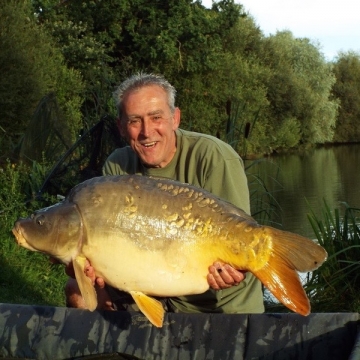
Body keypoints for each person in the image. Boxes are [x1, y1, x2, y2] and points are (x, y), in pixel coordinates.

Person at [65, 73, 264, 314]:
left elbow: (241, 236)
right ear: (121, 127)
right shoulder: (116, 168)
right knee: (76, 289)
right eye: (135, 121)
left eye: (156, 117)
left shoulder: (214, 157)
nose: (147, 132)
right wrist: (96, 268)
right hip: (150, 294)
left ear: (175, 118)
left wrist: (235, 269)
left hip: (215, 306)